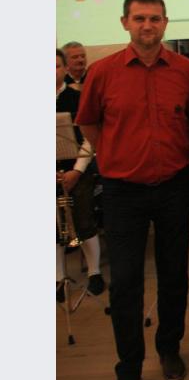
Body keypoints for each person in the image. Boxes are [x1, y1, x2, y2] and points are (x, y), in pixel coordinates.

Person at [76, 0, 189, 380]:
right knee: (126, 282)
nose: (147, 25)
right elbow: (89, 122)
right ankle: (128, 368)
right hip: (122, 192)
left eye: (154, 18)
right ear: (125, 23)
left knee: (174, 276)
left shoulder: (186, 70)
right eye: (139, 18)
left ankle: (170, 349)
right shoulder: (103, 71)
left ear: (165, 23)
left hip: (174, 186)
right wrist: (115, 152)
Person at [56, 49, 105, 301]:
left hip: (78, 169)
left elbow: (88, 138)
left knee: (84, 220)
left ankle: (95, 272)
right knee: (54, 227)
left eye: (56, 66)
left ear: (65, 69)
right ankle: (58, 277)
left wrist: (77, 170)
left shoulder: (77, 98)